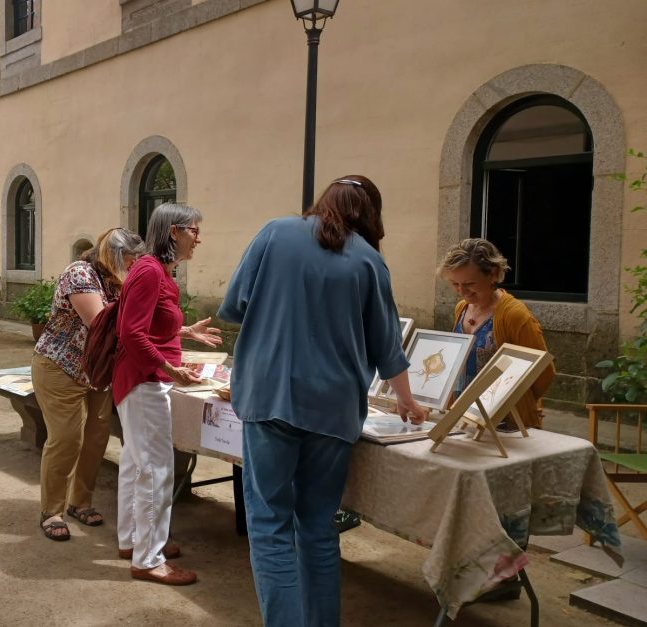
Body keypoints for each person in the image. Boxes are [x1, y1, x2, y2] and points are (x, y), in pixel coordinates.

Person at [218, 176, 427, 626]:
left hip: (269, 397)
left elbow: (234, 305)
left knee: (270, 527)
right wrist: (408, 402)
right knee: (317, 529)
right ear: (372, 216)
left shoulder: (275, 232)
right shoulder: (371, 261)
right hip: (333, 410)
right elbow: (388, 348)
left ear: (323, 201)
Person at [114, 204, 222, 586]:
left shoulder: (152, 270)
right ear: (173, 232)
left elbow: (150, 327)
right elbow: (131, 333)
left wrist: (184, 332)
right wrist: (171, 367)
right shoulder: (149, 271)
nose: (199, 238)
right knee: (156, 470)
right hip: (145, 381)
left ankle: (133, 541)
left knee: (136, 463)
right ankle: (148, 559)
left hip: (142, 379)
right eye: (194, 230)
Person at [32, 227, 144, 542]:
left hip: (97, 371)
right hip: (60, 366)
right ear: (115, 255)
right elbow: (100, 323)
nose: (134, 265)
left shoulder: (117, 280)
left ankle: (80, 502)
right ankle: (51, 511)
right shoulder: (79, 275)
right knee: (67, 439)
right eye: (131, 259)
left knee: (95, 439)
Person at [440, 238, 555, 429]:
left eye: (469, 283)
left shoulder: (514, 315)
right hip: (464, 418)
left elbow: (544, 371)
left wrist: (518, 400)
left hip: (504, 422)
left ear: (493, 274)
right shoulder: (461, 308)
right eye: (455, 284)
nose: (462, 291)